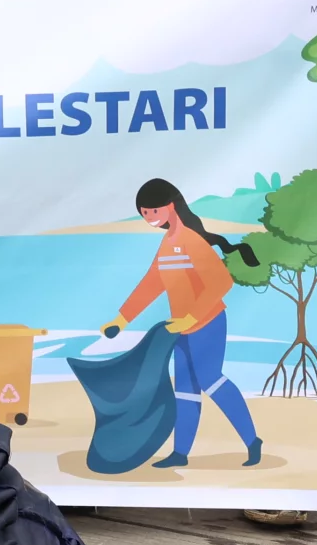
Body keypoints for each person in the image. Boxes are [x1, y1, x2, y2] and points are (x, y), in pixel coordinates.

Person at [103, 179, 265, 469]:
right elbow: (152, 283)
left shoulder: (191, 240)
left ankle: (253, 441)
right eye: (144, 214)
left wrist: (194, 316)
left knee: (210, 380)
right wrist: (122, 318)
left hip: (208, 322)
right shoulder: (167, 244)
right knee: (185, 390)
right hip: (181, 327)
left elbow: (221, 281)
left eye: (153, 212)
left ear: (170, 206)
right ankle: (180, 452)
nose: (149, 219)